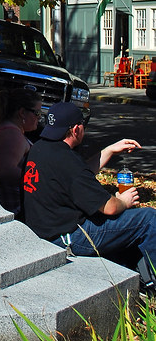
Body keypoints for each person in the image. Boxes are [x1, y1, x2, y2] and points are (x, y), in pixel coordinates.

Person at [22, 101, 156, 290]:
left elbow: (79, 174)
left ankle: (136, 276)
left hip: (45, 231)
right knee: (148, 219)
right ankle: (152, 283)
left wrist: (109, 150)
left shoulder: (41, 149)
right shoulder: (67, 160)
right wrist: (124, 202)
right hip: (69, 238)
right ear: (76, 129)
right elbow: (109, 207)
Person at [0, 87, 42, 216]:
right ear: (22, 113)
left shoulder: (7, 128)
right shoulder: (12, 134)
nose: (39, 118)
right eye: (36, 113)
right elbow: (6, 171)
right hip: (15, 208)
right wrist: (41, 179)